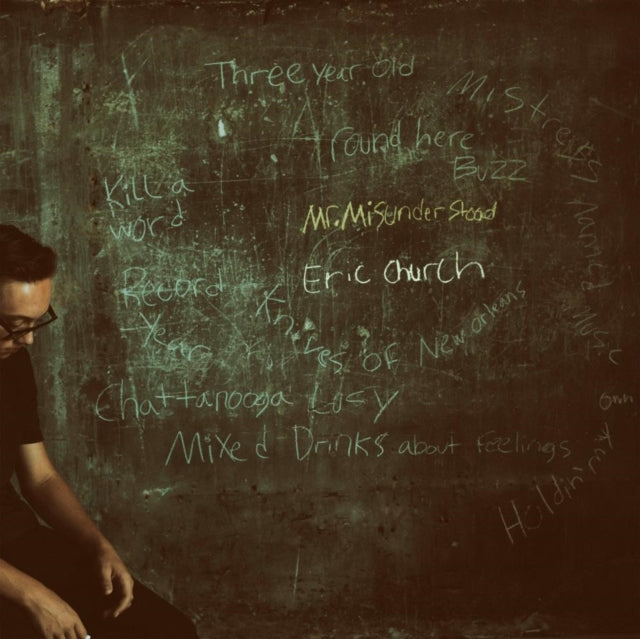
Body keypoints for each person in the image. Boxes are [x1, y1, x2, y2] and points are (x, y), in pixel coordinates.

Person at [0, 224, 200, 639]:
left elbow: (40, 477)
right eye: (17, 324)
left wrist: (97, 545)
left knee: (170, 630)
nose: (30, 340)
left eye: (37, 322)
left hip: (14, 539)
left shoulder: (12, 360)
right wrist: (32, 595)